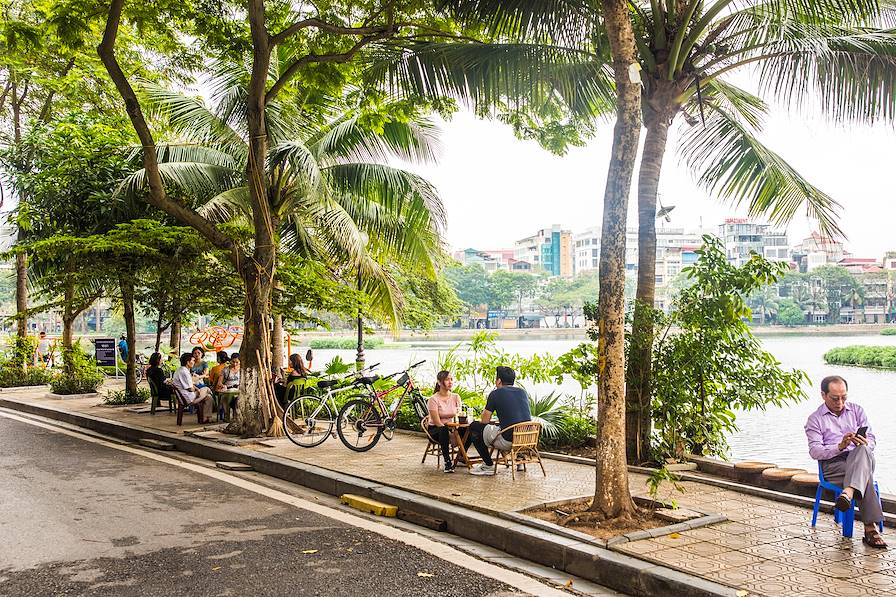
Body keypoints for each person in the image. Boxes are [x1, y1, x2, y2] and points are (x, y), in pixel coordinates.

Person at [805, 375, 886, 548]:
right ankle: (870, 529)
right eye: (835, 398)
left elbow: (872, 439)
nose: (840, 402)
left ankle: (848, 492)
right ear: (823, 395)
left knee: (863, 450)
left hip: (859, 458)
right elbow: (814, 451)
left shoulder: (857, 411)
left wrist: (865, 442)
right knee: (865, 478)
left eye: (844, 397)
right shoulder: (815, 419)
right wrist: (840, 446)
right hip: (834, 465)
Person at [467, 366, 531, 476]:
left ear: (499, 380)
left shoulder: (496, 393)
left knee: (475, 427)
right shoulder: (523, 392)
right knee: (506, 427)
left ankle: (488, 465)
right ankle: (519, 459)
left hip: (508, 440)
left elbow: (484, 420)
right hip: (527, 439)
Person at [427, 370, 464, 473]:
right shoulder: (433, 399)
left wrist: (454, 431)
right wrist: (449, 433)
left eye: (451, 379)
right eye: (447, 379)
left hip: (452, 428)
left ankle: (461, 456)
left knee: (470, 430)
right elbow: (437, 422)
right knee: (443, 429)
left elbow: (459, 414)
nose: (450, 382)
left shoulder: (456, 397)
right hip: (436, 429)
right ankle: (447, 462)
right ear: (439, 382)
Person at [171, 352, 213, 423]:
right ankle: (208, 416)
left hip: (185, 396)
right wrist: (197, 391)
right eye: (193, 360)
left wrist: (197, 389)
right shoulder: (184, 372)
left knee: (209, 397)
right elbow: (190, 389)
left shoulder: (180, 370)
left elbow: (190, 385)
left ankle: (205, 418)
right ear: (188, 362)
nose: (194, 362)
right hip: (188, 398)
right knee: (207, 389)